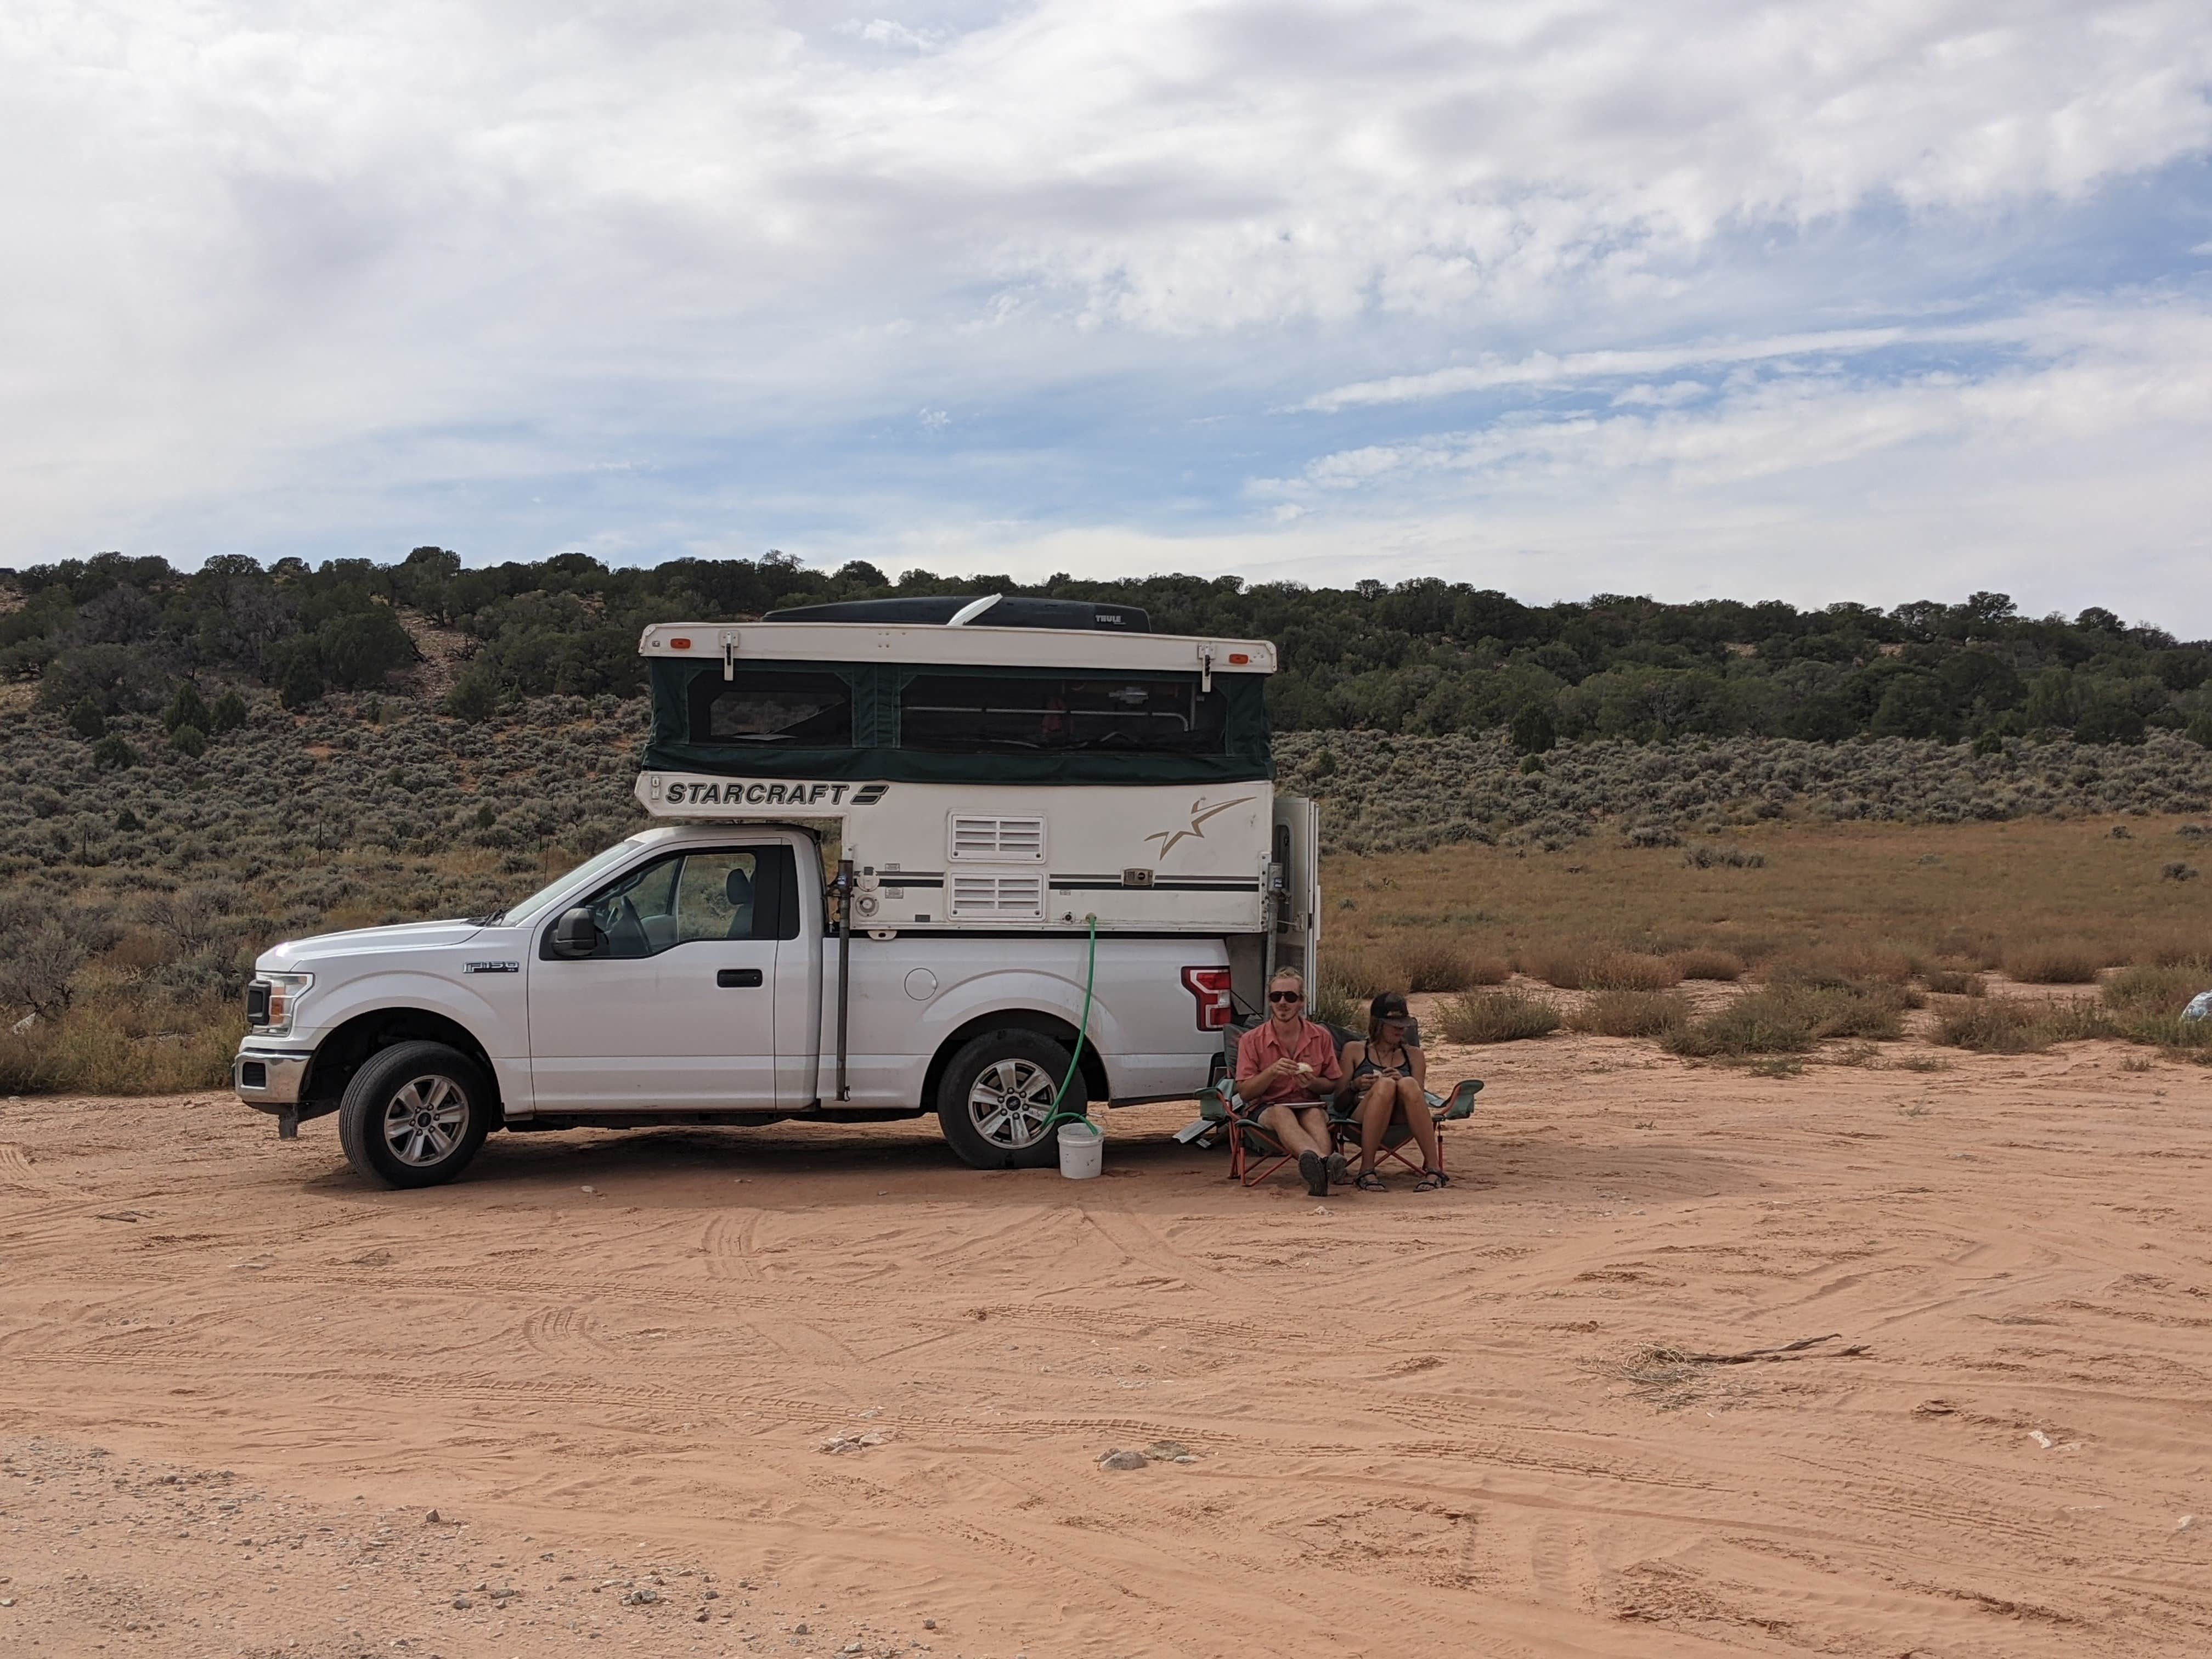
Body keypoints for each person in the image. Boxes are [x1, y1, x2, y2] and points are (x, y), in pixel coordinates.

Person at [1233, 968, 1345, 1195]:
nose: (1283, 1003)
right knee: (1281, 1112)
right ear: (1270, 1001)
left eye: (1290, 997)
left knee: (1314, 1114)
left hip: (1308, 1103)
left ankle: (1318, 1177)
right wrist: (1271, 1073)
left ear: (1302, 1001)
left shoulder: (1320, 1036)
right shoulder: (1251, 1040)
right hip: (1266, 1107)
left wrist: (1312, 1083)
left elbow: (1331, 1084)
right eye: (1277, 997)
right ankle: (1325, 1162)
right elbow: (1245, 1093)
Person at [1335, 991, 1448, 1191]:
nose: (1401, 1031)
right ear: (1378, 1024)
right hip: (1360, 1120)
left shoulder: (1414, 1055)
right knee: (1385, 1085)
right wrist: (1355, 1086)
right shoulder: (1355, 1050)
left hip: (1402, 1120)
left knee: (1408, 1084)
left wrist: (1403, 1080)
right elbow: (1338, 1104)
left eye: (1404, 1026)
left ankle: (1434, 1169)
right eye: (1395, 1026)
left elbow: (1418, 1098)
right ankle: (1367, 1169)